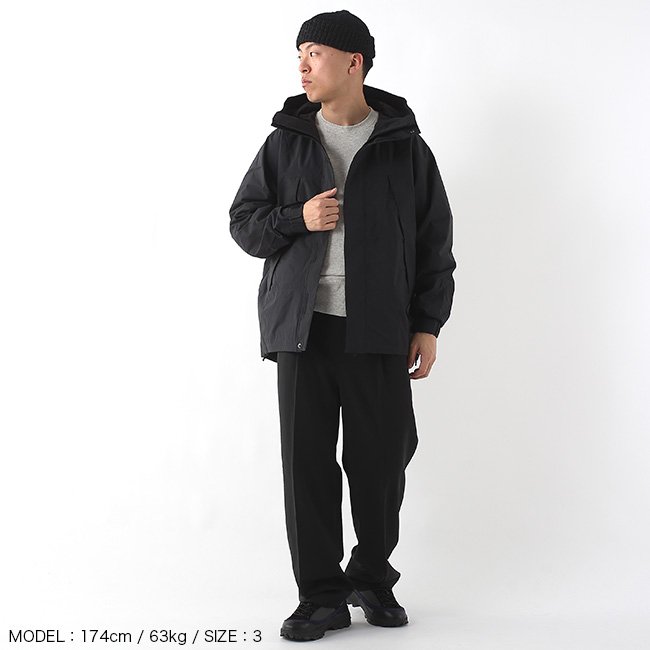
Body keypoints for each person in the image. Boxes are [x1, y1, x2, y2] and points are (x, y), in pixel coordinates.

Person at [230, 9, 455, 642]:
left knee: (382, 463)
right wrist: (297, 218)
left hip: (378, 330)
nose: (302, 66)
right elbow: (244, 222)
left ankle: (372, 577)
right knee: (306, 466)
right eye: (299, 54)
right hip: (304, 329)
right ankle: (320, 597)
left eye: (315, 53)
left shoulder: (405, 146)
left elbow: (435, 242)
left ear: (354, 62)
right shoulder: (286, 142)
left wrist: (428, 323)